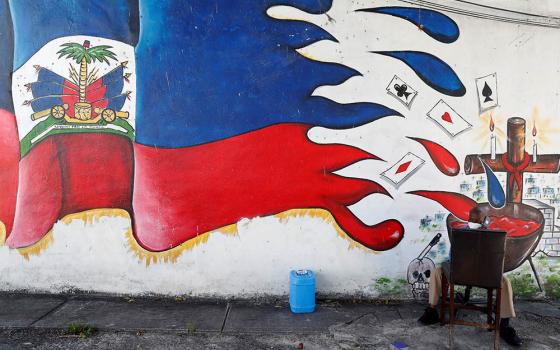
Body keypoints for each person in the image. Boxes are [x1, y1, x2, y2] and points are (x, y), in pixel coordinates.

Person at [418, 207, 522, 347]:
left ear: (468, 219)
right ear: (485, 220)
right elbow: (496, 260)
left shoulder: (459, 232)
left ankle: (431, 310)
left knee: (438, 271)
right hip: (485, 276)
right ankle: (504, 325)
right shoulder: (494, 236)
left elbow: (451, 258)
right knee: (505, 282)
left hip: (459, 274)